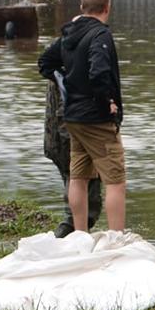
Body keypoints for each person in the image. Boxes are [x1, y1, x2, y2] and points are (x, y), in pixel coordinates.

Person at [37, 0, 126, 233]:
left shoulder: (68, 35)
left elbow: (45, 62)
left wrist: (68, 82)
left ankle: (79, 234)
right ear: (107, 8)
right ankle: (117, 237)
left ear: (81, 8)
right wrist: (106, 102)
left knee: (79, 176)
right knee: (115, 181)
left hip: (72, 117)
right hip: (96, 119)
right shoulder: (101, 36)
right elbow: (99, 72)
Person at [43, 78, 102, 238]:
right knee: (81, 181)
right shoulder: (74, 56)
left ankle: (77, 230)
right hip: (73, 126)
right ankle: (73, 230)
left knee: (80, 182)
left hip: (69, 124)